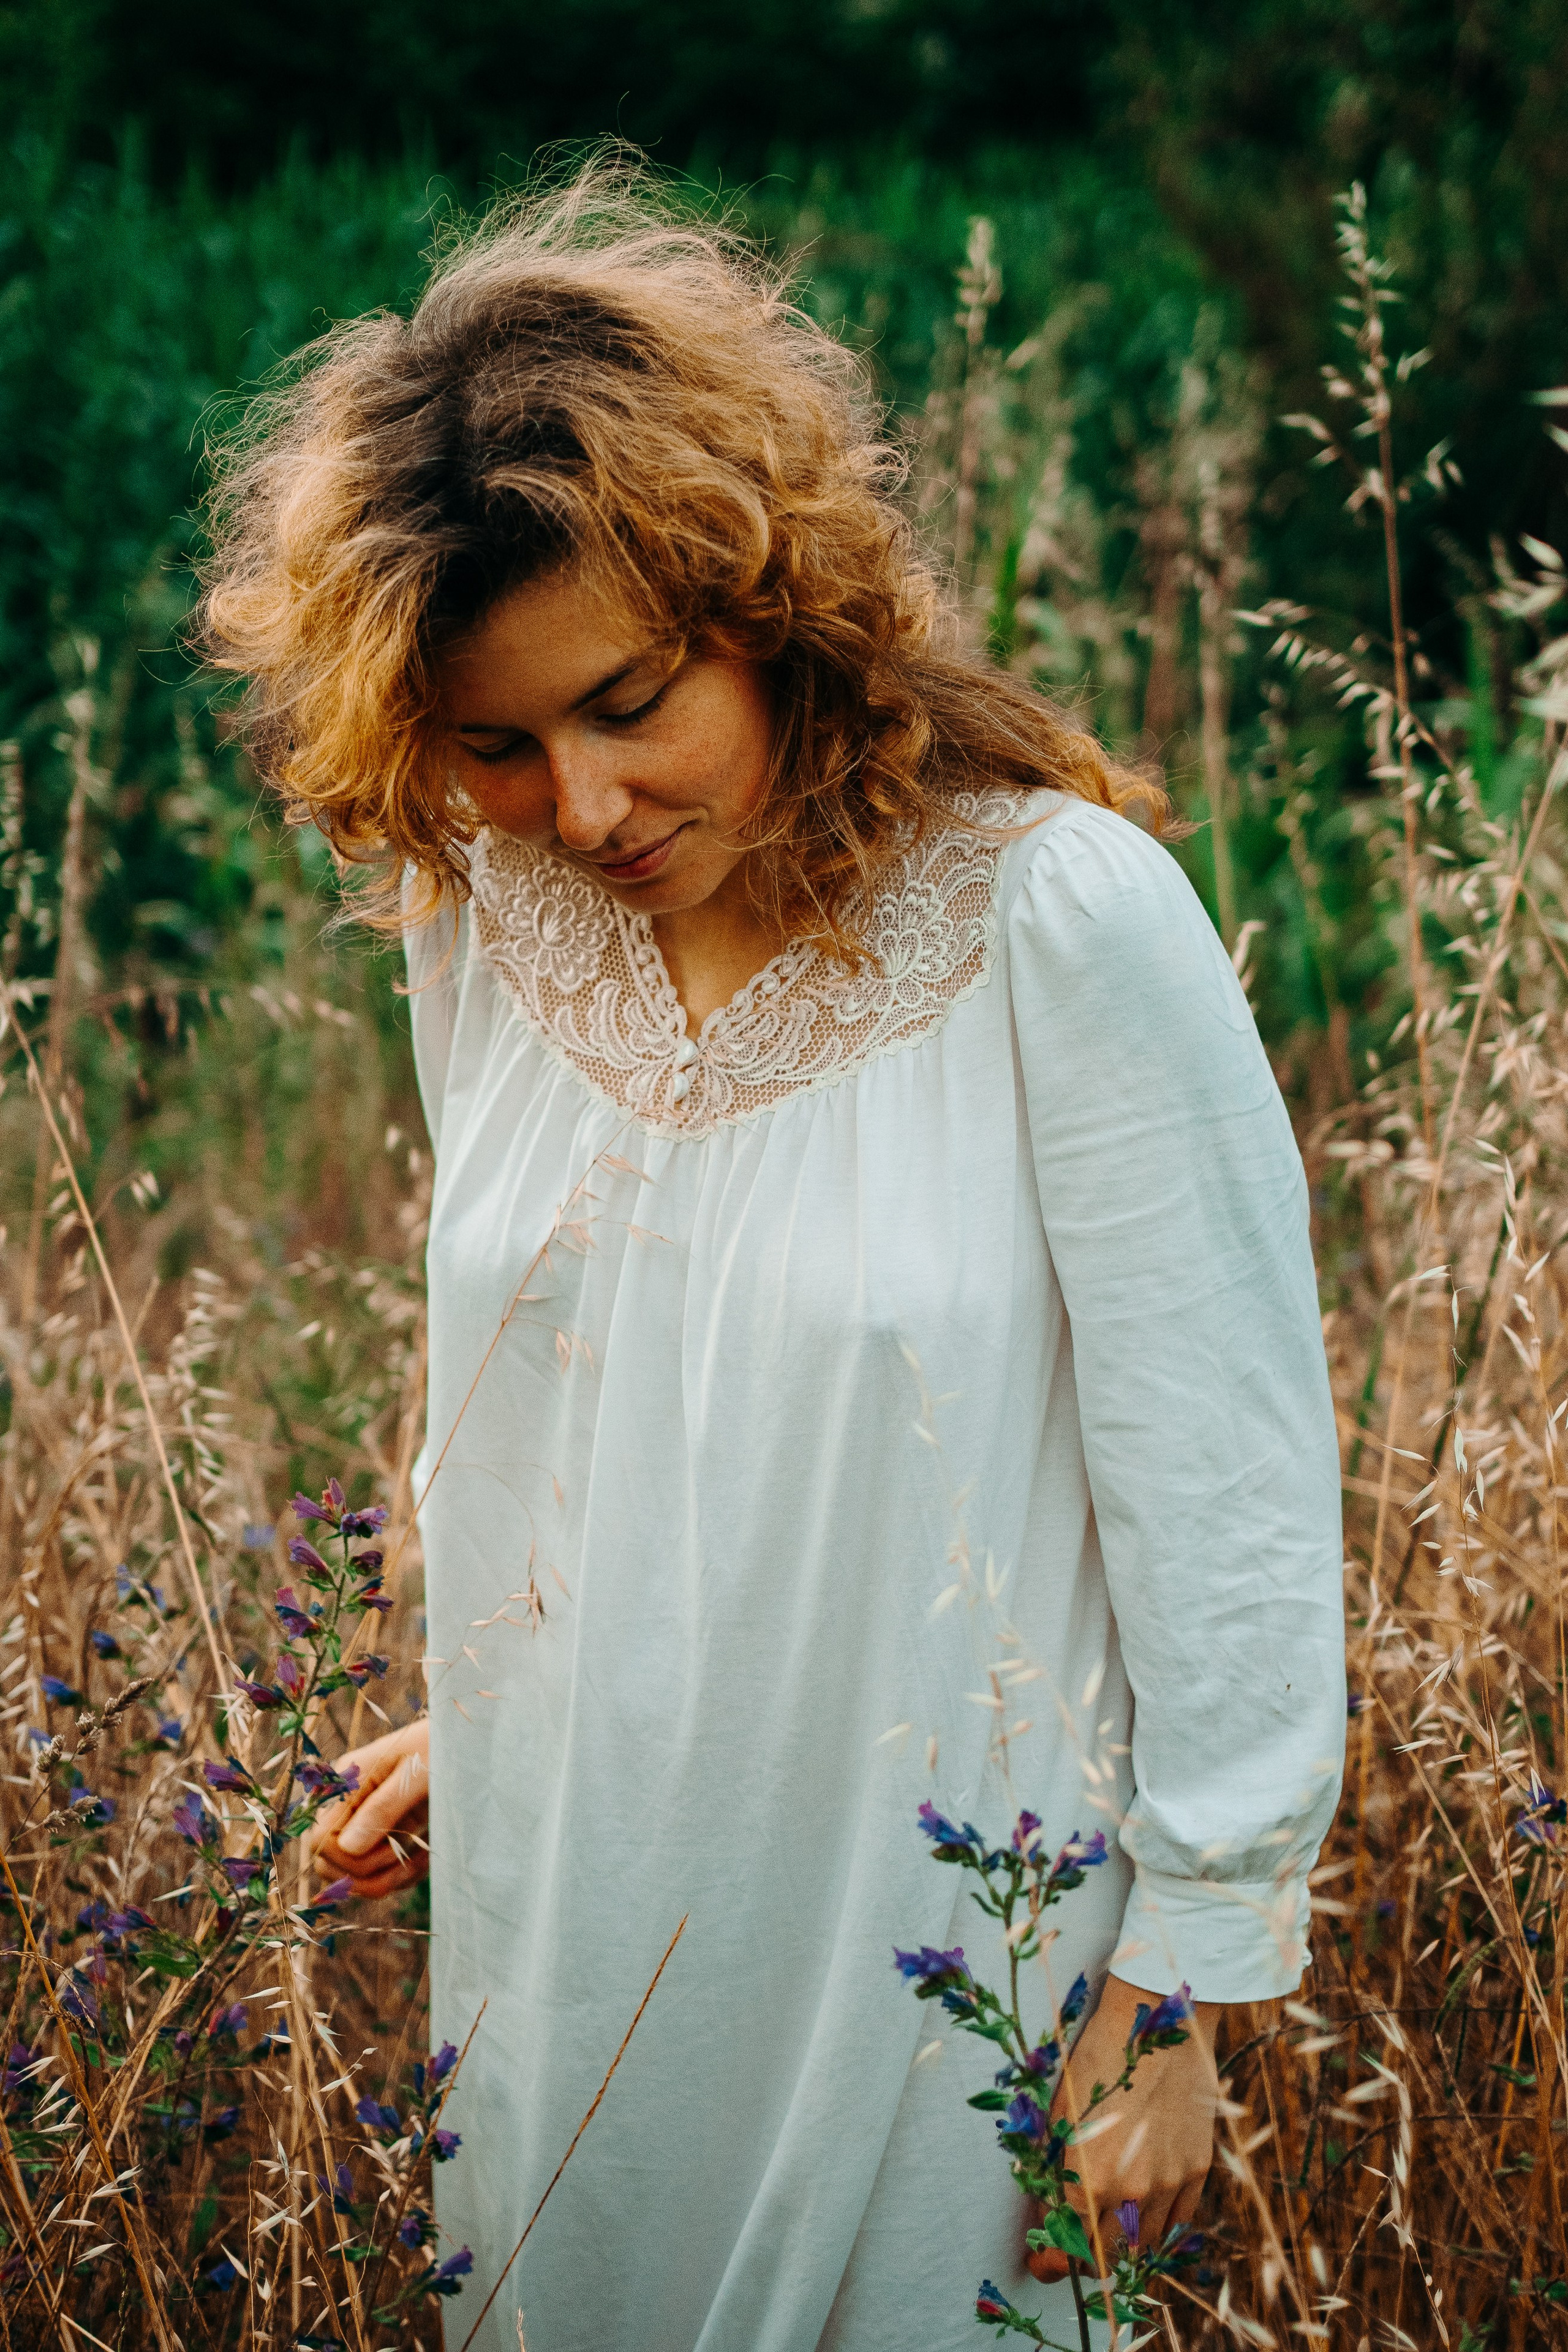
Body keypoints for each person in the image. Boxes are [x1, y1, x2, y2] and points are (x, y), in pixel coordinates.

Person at [198, 161, 1344, 2352]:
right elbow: (594, 1375)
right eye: (498, 747)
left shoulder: (1060, 923)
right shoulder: (487, 929)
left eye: (632, 700)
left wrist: (1184, 1971)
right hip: (578, 1904)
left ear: (766, 596)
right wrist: (507, 1702)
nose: (590, 805)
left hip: (938, 1926)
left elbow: (1227, 1485)